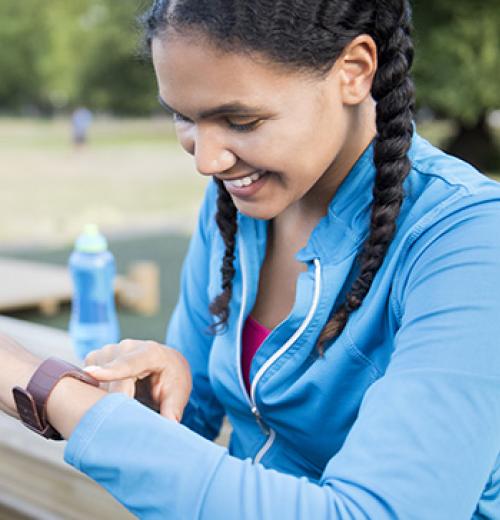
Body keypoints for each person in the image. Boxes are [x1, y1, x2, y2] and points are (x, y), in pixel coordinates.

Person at [1, 0, 500, 517]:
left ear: (354, 71)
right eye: (183, 115)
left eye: (240, 120)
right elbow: (188, 421)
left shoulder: (468, 242)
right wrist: (153, 397)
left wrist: (37, 381)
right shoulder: (236, 204)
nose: (206, 160)